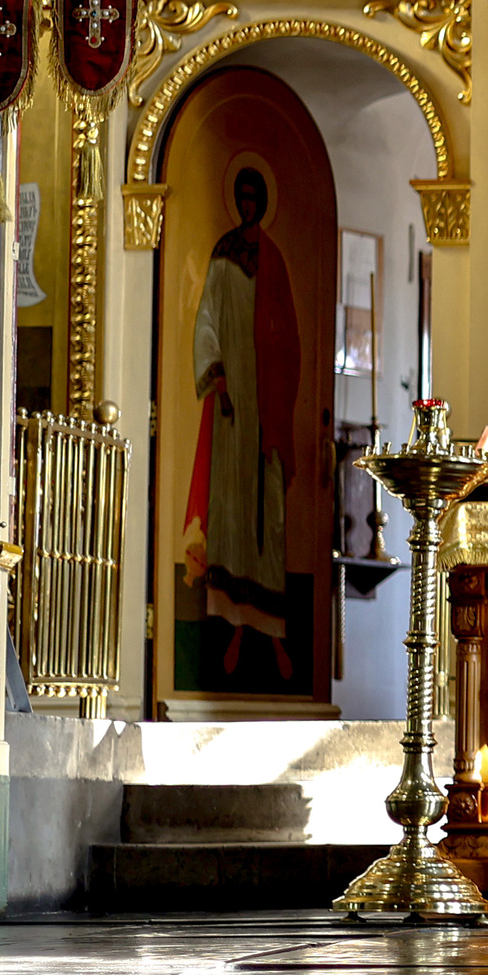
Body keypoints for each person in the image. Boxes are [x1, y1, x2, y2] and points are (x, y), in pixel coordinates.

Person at [185, 166, 300, 683]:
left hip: (267, 412)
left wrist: (277, 403)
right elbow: (206, 320)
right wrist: (223, 382)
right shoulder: (223, 254)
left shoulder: (272, 258)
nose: (250, 205)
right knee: (231, 514)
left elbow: (290, 339)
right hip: (234, 408)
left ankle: (274, 634)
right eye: (243, 197)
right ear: (237, 201)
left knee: (268, 517)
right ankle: (230, 628)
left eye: (257, 197)